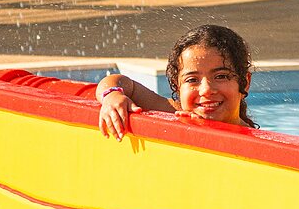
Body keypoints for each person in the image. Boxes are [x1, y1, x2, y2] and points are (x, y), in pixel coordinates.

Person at [96, 24, 258, 138]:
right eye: (192, 79)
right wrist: (112, 96)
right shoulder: (172, 111)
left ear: (244, 83)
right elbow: (118, 81)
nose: (206, 90)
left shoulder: (253, 139)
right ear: (177, 85)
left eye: (221, 76)